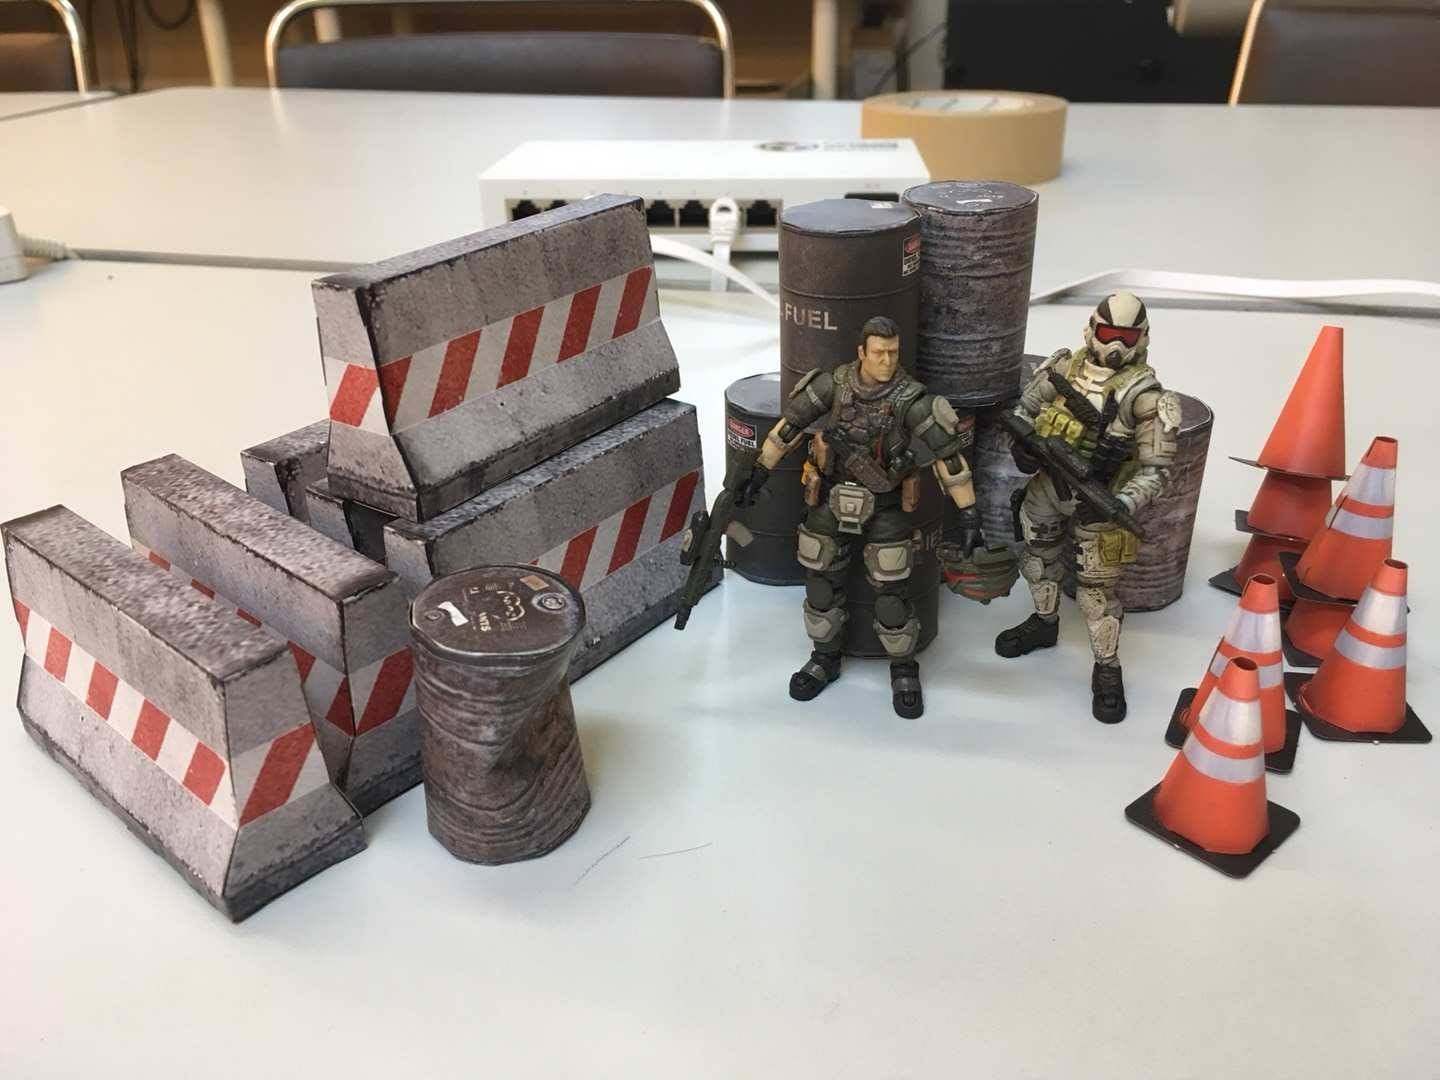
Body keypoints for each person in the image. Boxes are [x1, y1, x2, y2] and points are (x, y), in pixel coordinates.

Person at [729, 316, 987, 718]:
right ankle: (824, 657)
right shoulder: (832, 385)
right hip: (832, 498)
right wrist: (759, 471)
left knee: (892, 594)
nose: (887, 361)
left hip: (885, 505)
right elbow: (788, 429)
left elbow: (948, 459)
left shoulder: (910, 399)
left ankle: (903, 668)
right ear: (861, 352)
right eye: (879, 352)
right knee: (820, 584)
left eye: (893, 353)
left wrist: (969, 514)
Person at [996, 292, 1181, 722]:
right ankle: (1044, 623)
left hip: (1101, 496)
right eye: (1108, 333)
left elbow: (1157, 471)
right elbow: (1024, 411)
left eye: (1126, 337)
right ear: (1092, 329)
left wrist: (1120, 502)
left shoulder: (1145, 395)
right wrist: (1023, 448)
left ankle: (1107, 667)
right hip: (1048, 485)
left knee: (1096, 596)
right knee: (1037, 562)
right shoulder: (1064, 368)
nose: (1115, 345)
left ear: (1141, 338)